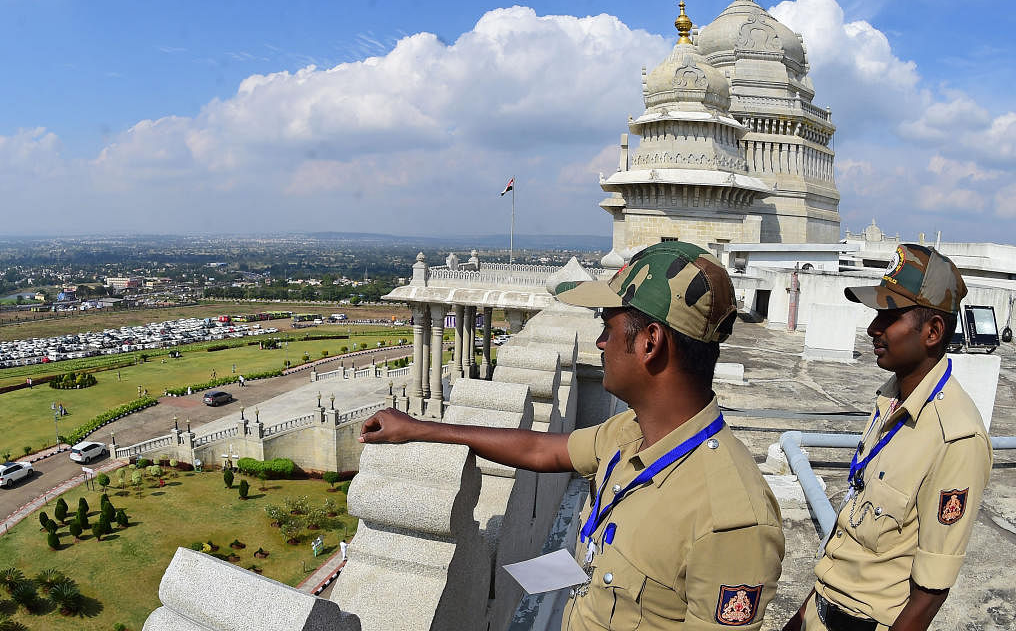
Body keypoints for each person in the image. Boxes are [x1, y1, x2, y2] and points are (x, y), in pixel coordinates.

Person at [360, 241, 784, 630]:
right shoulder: (632, 433)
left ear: (650, 343)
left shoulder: (730, 519)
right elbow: (541, 449)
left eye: (609, 328)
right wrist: (421, 429)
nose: (599, 342)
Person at [783, 244, 993, 631]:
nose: (873, 329)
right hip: (820, 610)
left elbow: (929, 593)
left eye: (889, 316)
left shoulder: (956, 437)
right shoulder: (889, 399)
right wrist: (802, 615)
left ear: (932, 332)